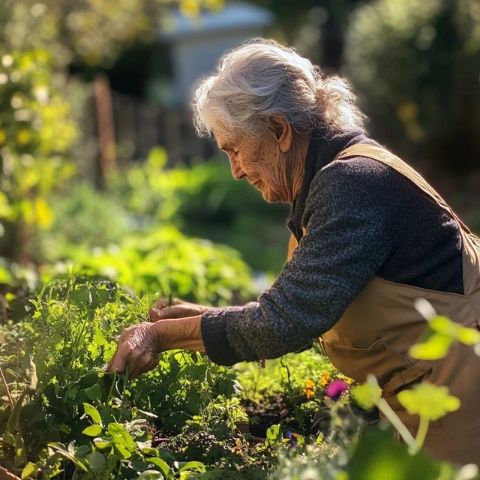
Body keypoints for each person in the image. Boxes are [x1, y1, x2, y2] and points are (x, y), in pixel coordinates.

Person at [108, 38, 480, 465]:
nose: (234, 171)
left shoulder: (352, 185)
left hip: (464, 390)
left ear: (281, 131)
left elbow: (286, 322)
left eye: (235, 149)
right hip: (435, 393)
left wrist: (160, 335)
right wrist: (204, 318)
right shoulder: (333, 179)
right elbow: (311, 309)